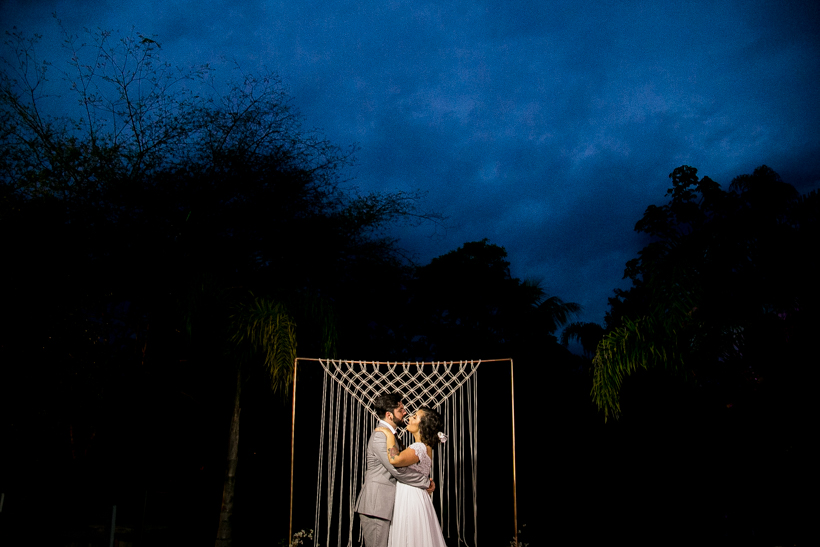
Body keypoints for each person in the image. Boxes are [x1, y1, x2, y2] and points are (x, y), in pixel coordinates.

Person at [355, 393, 435, 547]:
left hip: (386, 506)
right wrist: (425, 481)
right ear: (389, 415)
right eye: (401, 409)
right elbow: (398, 471)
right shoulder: (381, 436)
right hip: (376, 507)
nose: (405, 412)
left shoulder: (390, 435)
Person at [375, 406, 447, 547]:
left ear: (422, 425)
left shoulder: (419, 447)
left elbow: (395, 459)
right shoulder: (426, 447)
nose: (409, 418)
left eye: (414, 417)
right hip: (418, 496)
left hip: (410, 498)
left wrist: (389, 435)